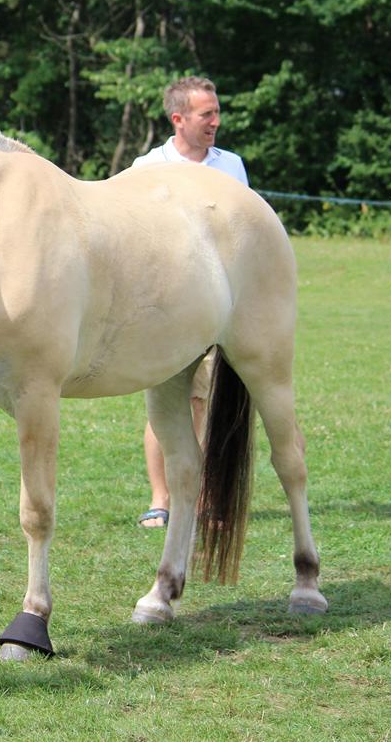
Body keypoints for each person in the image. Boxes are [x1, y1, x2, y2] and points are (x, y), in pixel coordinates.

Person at [130, 76, 249, 528]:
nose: (216, 122)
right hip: (161, 309)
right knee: (163, 404)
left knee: (208, 402)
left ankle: (202, 498)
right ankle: (160, 499)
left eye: (217, 112)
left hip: (218, 309)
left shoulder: (231, 167)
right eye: (207, 114)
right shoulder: (147, 166)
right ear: (178, 119)